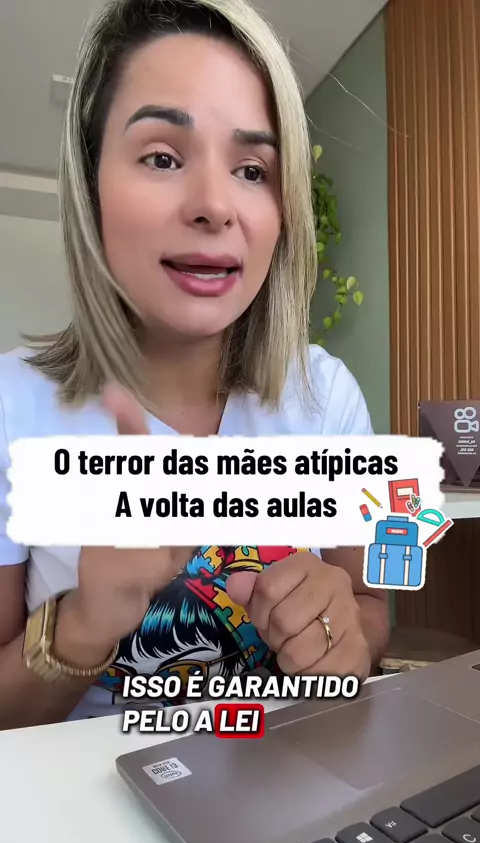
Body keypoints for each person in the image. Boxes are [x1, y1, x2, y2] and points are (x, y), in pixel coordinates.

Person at [0, 0, 389, 730]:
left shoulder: (325, 396)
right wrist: (83, 626)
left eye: (251, 169)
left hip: (287, 779)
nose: (215, 205)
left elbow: (370, 609)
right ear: (89, 184)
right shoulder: (9, 405)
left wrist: (345, 634)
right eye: (162, 158)